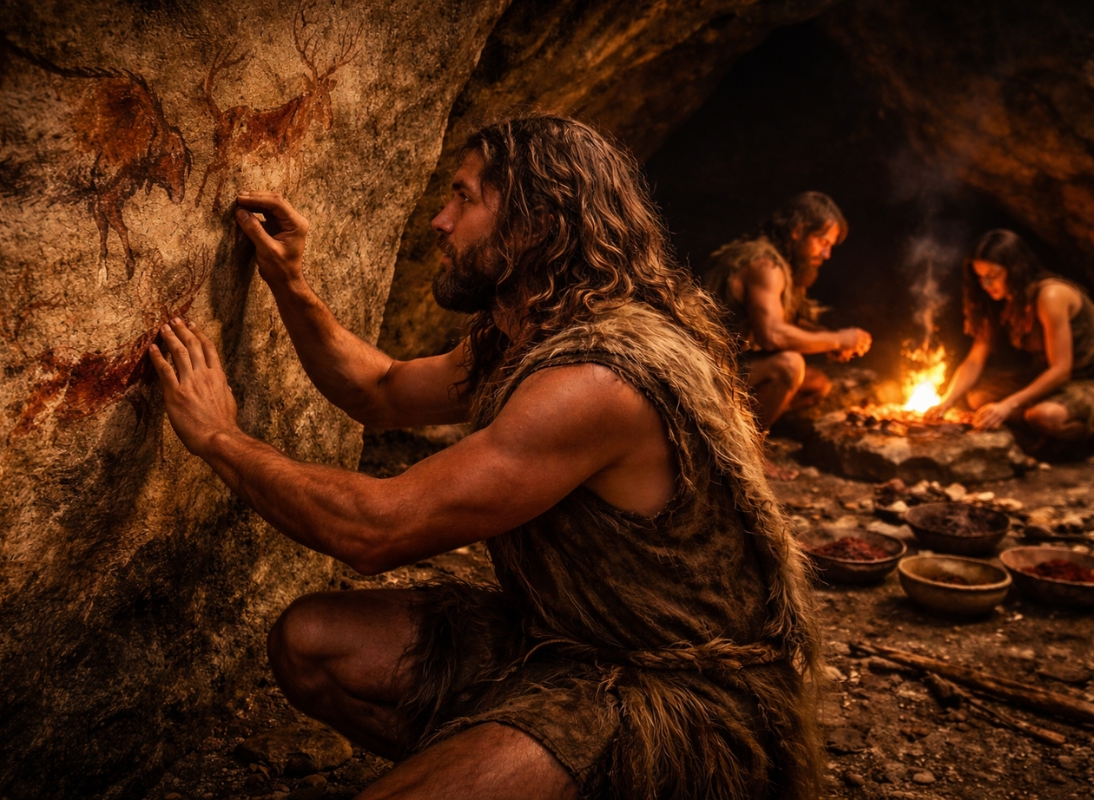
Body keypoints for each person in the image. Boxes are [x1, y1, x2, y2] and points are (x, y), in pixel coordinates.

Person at [148, 116, 822, 800]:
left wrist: (218, 438)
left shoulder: (596, 380)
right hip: (561, 645)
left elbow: (375, 531)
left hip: (675, 700)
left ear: (537, 221)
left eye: (465, 198)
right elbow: (381, 391)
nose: (441, 222)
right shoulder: (528, 335)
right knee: (312, 642)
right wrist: (286, 279)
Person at [703, 193, 872, 455]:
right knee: (789, 366)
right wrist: (840, 339)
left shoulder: (781, 264)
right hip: (704, 372)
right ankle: (743, 454)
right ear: (798, 231)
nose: (826, 254)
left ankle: (728, 431)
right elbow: (772, 334)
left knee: (816, 384)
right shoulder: (765, 265)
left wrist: (829, 337)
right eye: (822, 242)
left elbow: (788, 320)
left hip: (729, 367)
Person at [927, 229, 1094, 441]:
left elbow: (1061, 370)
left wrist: (1008, 405)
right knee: (979, 397)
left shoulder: (1051, 295)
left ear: (1015, 269)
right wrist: (946, 401)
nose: (986, 285)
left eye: (993, 277)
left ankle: (1079, 439)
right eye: (980, 278)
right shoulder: (1002, 301)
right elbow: (974, 361)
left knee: (1043, 415)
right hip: (1049, 379)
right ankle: (1036, 428)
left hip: (1084, 380)